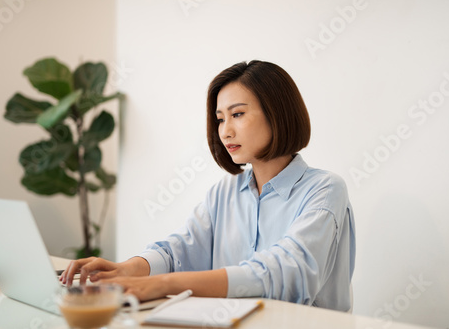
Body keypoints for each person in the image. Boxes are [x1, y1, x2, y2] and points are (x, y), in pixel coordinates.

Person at [60, 60, 356, 311]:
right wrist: (128, 268)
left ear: (277, 113)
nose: (225, 131)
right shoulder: (224, 193)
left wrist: (160, 285)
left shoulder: (325, 189)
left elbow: (285, 275)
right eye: (220, 118)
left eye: (238, 114)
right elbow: (180, 250)